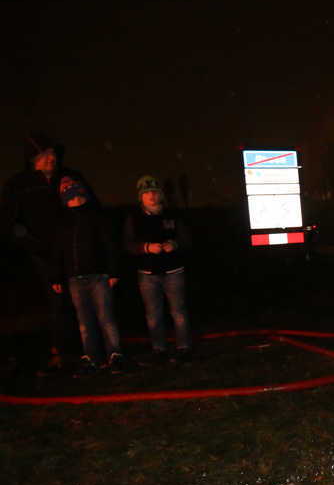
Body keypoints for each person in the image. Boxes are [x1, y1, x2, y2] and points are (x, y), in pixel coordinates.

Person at [1, 134, 91, 371]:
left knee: (84, 297)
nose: (50, 157)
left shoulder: (69, 176)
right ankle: (64, 351)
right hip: (45, 254)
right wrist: (32, 245)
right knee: (58, 301)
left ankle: (91, 347)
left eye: (52, 153)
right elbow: (7, 222)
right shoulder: (18, 185)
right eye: (44, 154)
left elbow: (92, 206)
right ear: (32, 158)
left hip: (76, 248)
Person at [50, 177, 124, 375]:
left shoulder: (97, 216)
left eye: (72, 188)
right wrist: (56, 277)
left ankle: (115, 356)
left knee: (106, 319)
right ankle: (90, 360)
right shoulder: (63, 222)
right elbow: (57, 251)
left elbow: (110, 244)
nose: (71, 194)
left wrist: (114, 271)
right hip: (75, 280)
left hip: (99, 277)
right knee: (85, 322)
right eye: (65, 190)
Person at [123, 175, 195, 363]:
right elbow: (128, 244)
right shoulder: (134, 218)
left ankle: (184, 348)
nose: (151, 196)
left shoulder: (173, 216)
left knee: (178, 312)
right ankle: (158, 349)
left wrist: (175, 244)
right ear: (141, 196)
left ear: (160, 194)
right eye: (146, 192)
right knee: (153, 314)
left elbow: (188, 239)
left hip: (174, 271)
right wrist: (146, 247)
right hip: (147, 274)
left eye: (154, 192)